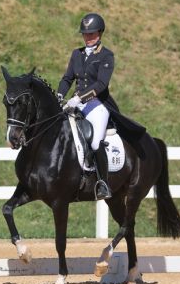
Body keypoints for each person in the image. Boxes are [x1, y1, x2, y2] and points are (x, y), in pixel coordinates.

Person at [57, 12, 146, 200]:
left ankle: (102, 183)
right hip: (76, 103)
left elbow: (100, 85)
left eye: (92, 34)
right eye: (85, 34)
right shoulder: (77, 54)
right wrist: (59, 95)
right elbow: (67, 78)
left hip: (98, 105)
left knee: (96, 141)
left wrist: (79, 98)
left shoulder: (106, 55)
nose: (88, 37)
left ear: (100, 33)